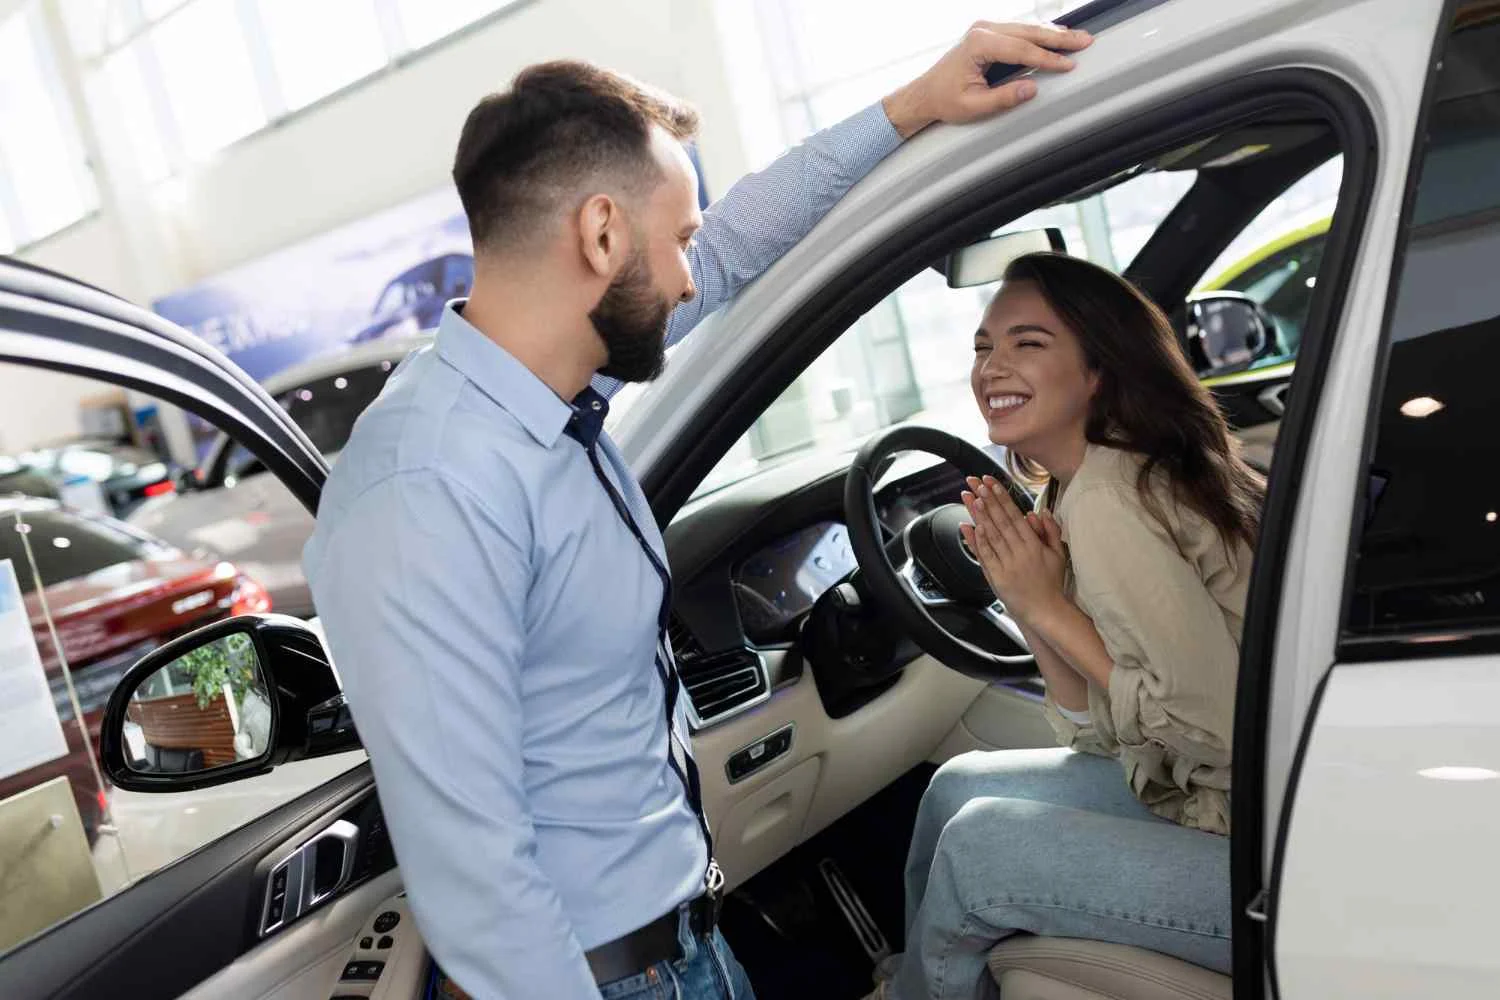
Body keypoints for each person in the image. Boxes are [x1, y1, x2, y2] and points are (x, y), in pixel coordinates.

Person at [303, 24, 1092, 1000]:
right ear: (599, 233)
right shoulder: (427, 481)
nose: (690, 275)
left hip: (685, 946)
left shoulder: (548, 387)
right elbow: (475, 874)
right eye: (676, 239)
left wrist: (913, 107)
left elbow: (738, 246)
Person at [873, 252, 1264, 1000]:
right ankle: (918, 981)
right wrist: (1030, 605)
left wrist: (1050, 609)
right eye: (985, 346)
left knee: (979, 851)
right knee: (956, 789)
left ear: (1099, 370)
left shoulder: (1113, 500)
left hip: (1263, 852)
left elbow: (1212, 727)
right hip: (1222, 800)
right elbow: (1099, 740)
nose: (993, 366)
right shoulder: (1078, 489)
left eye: (1029, 342)